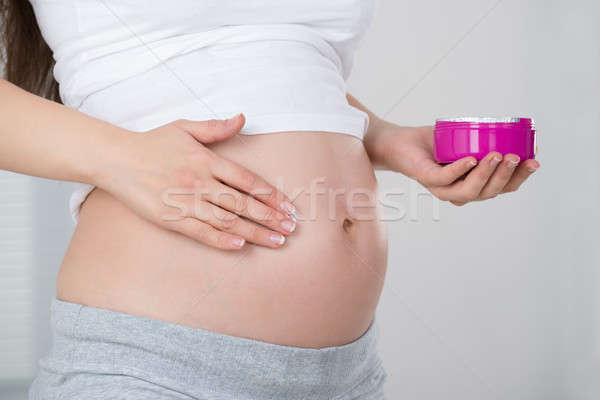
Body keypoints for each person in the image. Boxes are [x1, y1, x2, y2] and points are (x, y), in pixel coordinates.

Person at [0, 1, 539, 399]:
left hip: (347, 375)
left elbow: (271, 62)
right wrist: (119, 156)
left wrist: (383, 136)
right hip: (154, 367)